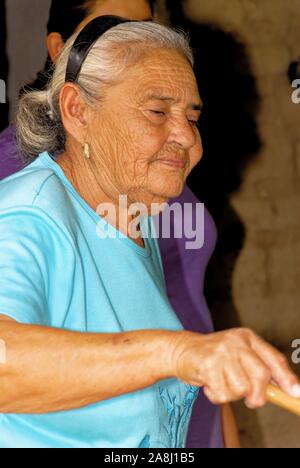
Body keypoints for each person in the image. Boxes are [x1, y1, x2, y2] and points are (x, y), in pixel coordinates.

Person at [0, 16, 299, 449]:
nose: (185, 136)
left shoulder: (129, 221)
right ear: (77, 111)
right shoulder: (30, 213)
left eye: (192, 116)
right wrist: (177, 353)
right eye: (157, 111)